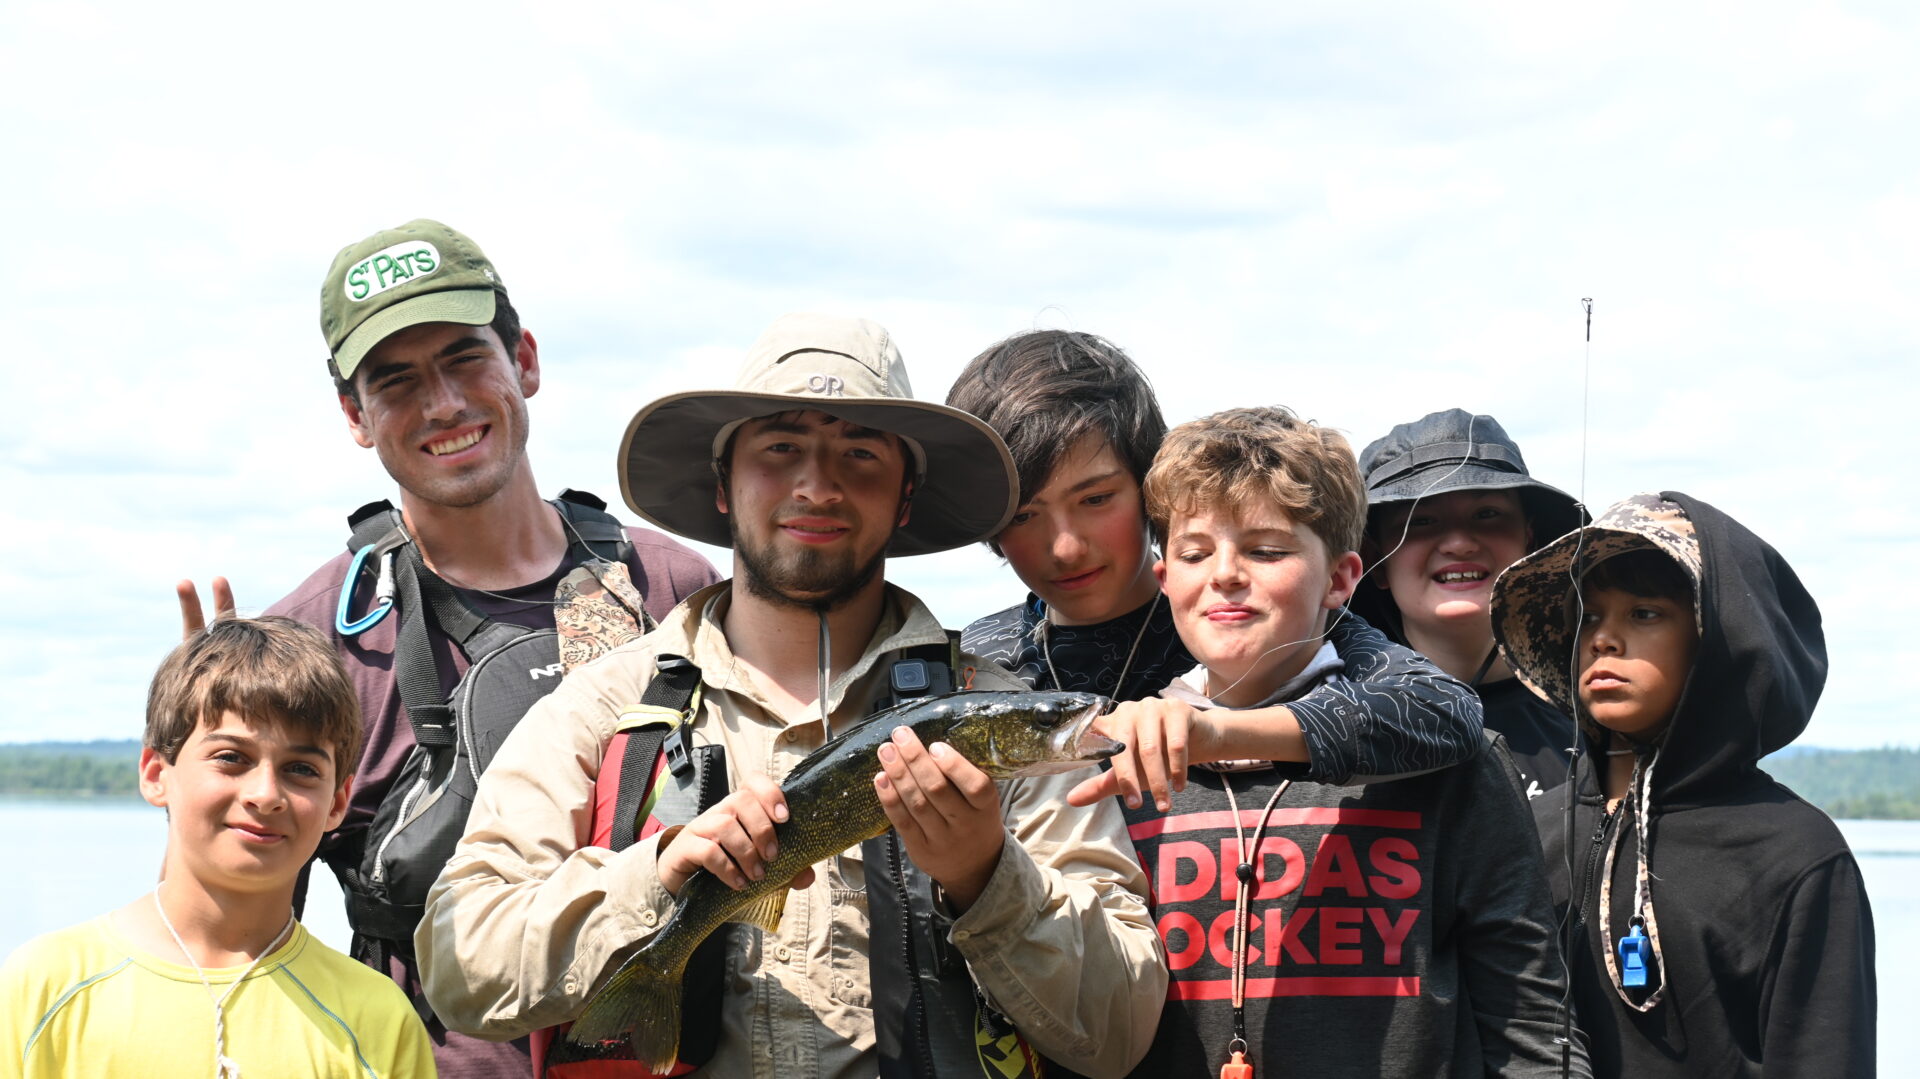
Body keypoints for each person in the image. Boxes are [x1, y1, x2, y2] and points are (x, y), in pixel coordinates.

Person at [418, 313, 1165, 1078]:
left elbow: (1121, 1027)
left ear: (905, 497)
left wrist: (986, 874)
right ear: (722, 482)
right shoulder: (604, 708)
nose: (817, 484)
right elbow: (457, 967)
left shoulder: (992, 716)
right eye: (780, 448)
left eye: (861, 453)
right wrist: (657, 870)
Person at [181, 218, 719, 1077]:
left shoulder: (673, 590)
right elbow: (228, 939)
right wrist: (202, 776)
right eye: (396, 383)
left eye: (466, 359)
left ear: (526, 362)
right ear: (355, 415)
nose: (443, 405)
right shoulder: (317, 638)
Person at [1114, 407, 1582, 1077]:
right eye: (1195, 552)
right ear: (1167, 581)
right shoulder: (1116, 762)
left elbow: (1532, 1024)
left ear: (1341, 579)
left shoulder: (1452, 758)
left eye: (1266, 549)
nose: (1225, 573)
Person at [947, 330, 1485, 815]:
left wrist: (1211, 732)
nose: (1064, 547)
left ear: (1150, 488)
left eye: (1096, 498)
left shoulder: (1240, 627)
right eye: (1023, 515)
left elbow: (1444, 711)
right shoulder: (980, 663)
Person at [1492, 491, 1876, 1077]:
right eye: (1588, 616)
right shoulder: (1526, 833)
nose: (1603, 640)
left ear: (1713, 640)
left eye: (1644, 613)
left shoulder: (1795, 854)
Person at [0, 617, 435, 1079]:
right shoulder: (45, 983)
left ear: (338, 803)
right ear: (155, 773)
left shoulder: (376, 1017)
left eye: (301, 769)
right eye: (231, 757)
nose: (265, 794)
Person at [1354, 409, 1585, 799]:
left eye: (1487, 515)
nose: (1459, 543)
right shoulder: (1316, 720)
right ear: (1374, 560)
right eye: (1421, 521)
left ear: (1529, 542)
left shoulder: (1600, 714)